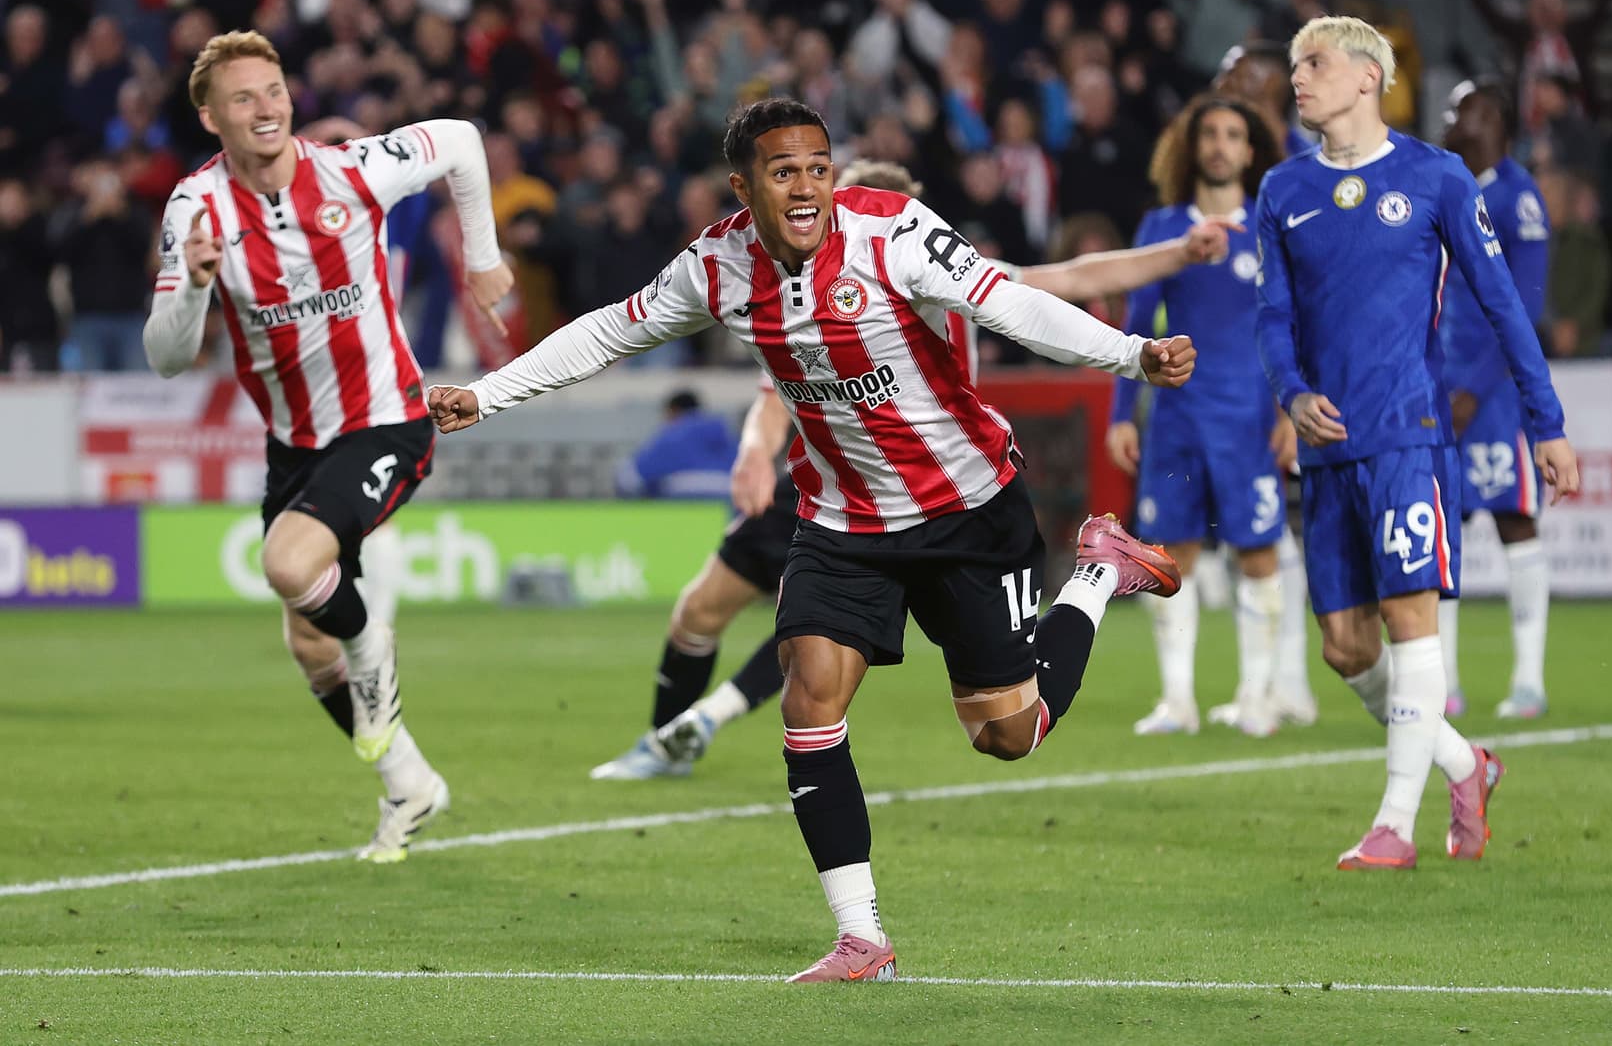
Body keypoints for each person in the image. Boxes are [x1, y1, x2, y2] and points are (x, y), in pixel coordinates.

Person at [429, 100, 1196, 982]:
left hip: (967, 511)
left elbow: (1014, 304)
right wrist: (487, 394)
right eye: (784, 170)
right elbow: (609, 329)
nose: (806, 186)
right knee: (808, 696)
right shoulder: (718, 263)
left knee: (1008, 736)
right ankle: (862, 935)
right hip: (840, 521)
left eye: (818, 166)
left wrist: (1130, 354)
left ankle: (1096, 574)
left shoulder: (895, 233)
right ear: (743, 185)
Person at [592, 157, 1244, 782]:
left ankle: (702, 722)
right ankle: (672, 735)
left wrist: (1178, 255)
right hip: (823, 478)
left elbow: (1074, 276)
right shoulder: (800, 290)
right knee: (707, 610)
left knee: (870, 662)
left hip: (934, 489)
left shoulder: (945, 267)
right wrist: (753, 458)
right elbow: (771, 397)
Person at [142, 31, 516, 863]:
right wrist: (196, 288)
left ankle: (369, 641)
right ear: (211, 117)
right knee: (306, 640)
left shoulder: (351, 168)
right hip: (296, 444)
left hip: (387, 417)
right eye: (243, 97)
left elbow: (460, 140)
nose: (265, 106)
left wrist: (483, 261)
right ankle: (410, 780)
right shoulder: (194, 210)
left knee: (288, 565)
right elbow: (166, 357)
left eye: (273, 89)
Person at [1254, 17, 1581, 872]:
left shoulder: (1434, 178)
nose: (1298, 78)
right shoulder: (1283, 190)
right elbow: (1273, 318)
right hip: (1327, 448)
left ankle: (1394, 822)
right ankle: (1468, 765)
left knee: (1409, 622)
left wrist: (1545, 423)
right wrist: (1292, 393)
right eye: (1295, 66)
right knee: (1345, 649)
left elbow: (1505, 303)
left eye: (1314, 63)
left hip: (1408, 433)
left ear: (1369, 77)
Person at [1109, 95, 1315, 738]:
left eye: (1233, 135)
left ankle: (1257, 695)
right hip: (1175, 420)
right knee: (1171, 559)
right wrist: (1123, 414)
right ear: (1193, 147)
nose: (1221, 146)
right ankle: (1178, 700)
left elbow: (1295, 327)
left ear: (1251, 151)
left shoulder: (1272, 227)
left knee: (1258, 556)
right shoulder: (1163, 227)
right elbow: (1135, 325)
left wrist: (1292, 408)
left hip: (1250, 422)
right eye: (1210, 135)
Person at [1437, 80, 1555, 720]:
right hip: (1439, 390)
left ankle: (1529, 681)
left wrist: (1475, 388)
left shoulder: (1519, 197)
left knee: (1514, 519)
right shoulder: (1444, 184)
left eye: (1463, 110)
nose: (1453, 120)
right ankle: (1446, 684)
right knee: (1440, 533)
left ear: (1492, 121)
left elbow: (1525, 306)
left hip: (1495, 395)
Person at [616, 390, 737, 500]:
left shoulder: (672, 433)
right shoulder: (726, 433)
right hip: (727, 497)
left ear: (673, 410)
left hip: (682, 499)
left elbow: (632, 477)